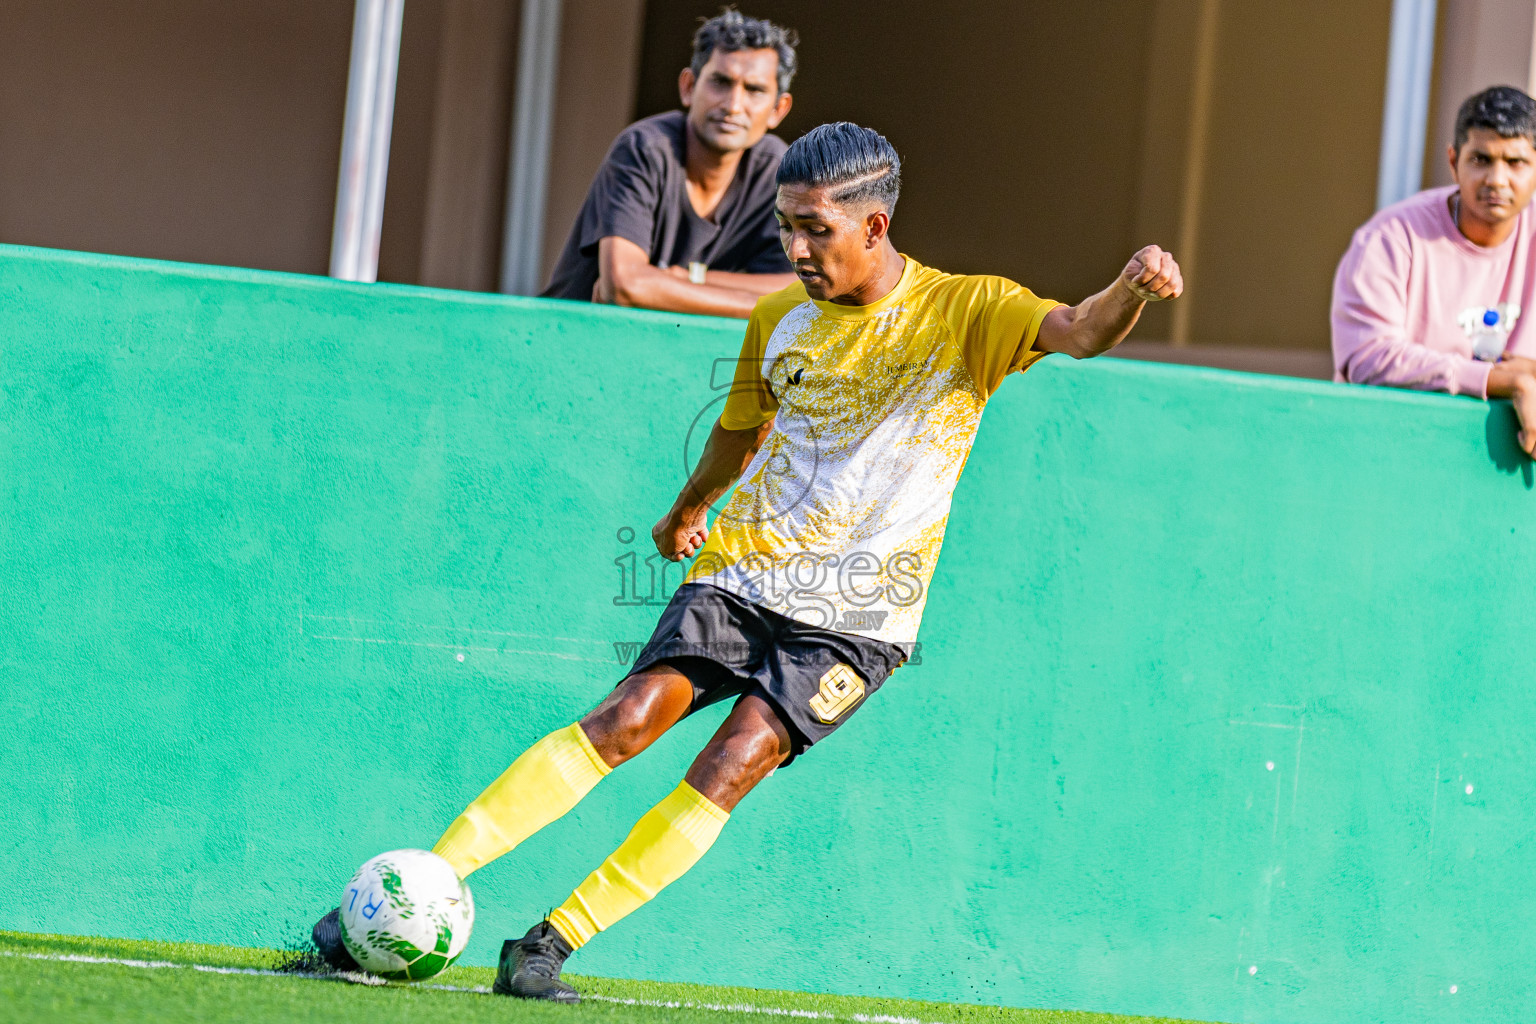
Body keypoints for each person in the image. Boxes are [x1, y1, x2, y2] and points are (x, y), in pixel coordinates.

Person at [311, 122, 1183, 1001]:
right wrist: (688, 507)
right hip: (747, 569)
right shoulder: (778, 317)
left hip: (862, 616)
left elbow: (1078, 329)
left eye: (817, 229)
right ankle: (407, 893)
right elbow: (739, 431)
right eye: (785, 227)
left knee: (731, 764)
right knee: (626, 718)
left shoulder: (968, 309)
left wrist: (1130, 288)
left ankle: (548, 944)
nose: (796, 249)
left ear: (874, 228)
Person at [541, 9, 800, 317]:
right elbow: (622, 286)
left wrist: (688, 278)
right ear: (688, 87)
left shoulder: (779, 172)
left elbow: (803, 294)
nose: (733, 106)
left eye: (754, 90)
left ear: (778, 109)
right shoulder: (645, 148)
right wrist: (761, 304)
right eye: (720, 82)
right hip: (569, 344)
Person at [1333, 85, 1536, 455]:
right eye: (1481, 159)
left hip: (1509, 463)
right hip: (1388, 449)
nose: (1497, 179)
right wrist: (1498, 379)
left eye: (1516, 162)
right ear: (1453, 161)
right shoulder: (1391, 238)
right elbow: (1367, 359)